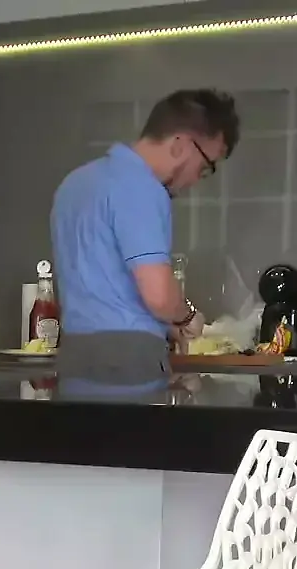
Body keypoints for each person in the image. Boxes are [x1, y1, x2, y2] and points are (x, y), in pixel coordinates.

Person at [48, 90, 239, 402]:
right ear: (180, 145)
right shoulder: (142, 187)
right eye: (205, 167)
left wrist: (164, 325)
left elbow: (105, 288)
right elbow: (159, 295)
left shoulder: (74, 184)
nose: (196, 180)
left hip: (74, 356)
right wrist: (187, 317)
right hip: (128, 363)